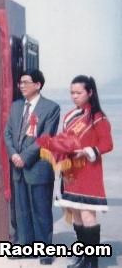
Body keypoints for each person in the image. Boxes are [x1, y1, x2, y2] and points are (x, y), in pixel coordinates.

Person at [4, 69, 60, 265]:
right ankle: (26, 246)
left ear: (38, 85)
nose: (21, 85)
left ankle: (45, 250)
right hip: (18, 168)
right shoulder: (16, 107)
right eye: (20, 82)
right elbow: (8, 134)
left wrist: (25, 157)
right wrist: (13, 155)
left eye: (26, 82)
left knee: (41, 211)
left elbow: (45, 138)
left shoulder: (51, 108)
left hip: (38, 167)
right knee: (22, 211)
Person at [55, 75, 113, 268]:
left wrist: (88, 151)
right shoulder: (69, 116)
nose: (74, 96)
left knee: (88, 215)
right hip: (71, 173)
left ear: (90, 92)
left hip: (89, 172)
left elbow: (107, 143)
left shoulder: (97, 117)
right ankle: (83, 257)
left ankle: (92, 261)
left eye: (78, 93)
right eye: (72, 93)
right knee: (76, 215)